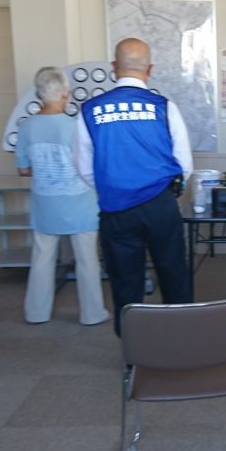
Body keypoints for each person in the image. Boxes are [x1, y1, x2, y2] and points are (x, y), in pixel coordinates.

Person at [76, 38, 194, 336]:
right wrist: (170, 192)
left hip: (116, 209)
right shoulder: (164, 107)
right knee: (173, 274)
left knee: (125, 281)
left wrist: (111, 188)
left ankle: (133, 351)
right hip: (160, 205)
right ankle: (182, 343)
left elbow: (84, 168)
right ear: (149, 70)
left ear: (114, 68)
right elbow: (184, 163)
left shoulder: (90, 110)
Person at [16, 67, 109, 325]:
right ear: (66, 93)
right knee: (87, 261)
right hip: (81, 203)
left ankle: (36, 313)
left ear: (38, 94)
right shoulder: (76, 126)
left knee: (42, 258)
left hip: (45, 203)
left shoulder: (26, 127)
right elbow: (90, 166)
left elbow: (23, 169)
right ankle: (92, 314)